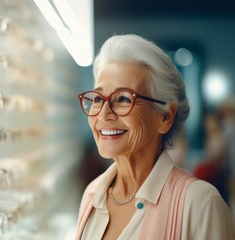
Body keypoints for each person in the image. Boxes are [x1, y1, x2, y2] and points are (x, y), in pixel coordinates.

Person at [75, 34, 235, 240]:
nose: (104, 114)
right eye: (98, 98)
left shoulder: (200, 204)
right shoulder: (92, 194)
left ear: (165, 117)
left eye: (123, 98)